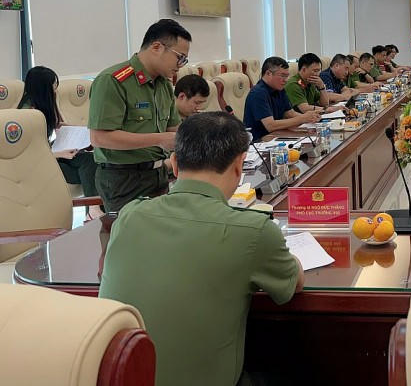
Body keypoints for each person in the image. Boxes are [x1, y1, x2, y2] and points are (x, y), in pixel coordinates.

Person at [99, 112, 303, 386]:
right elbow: (295, 283)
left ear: (174, 164)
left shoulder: (129, 215)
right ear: (239, 165)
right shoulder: (254, 231)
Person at [88, 19, 189, 213]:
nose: (180, 65)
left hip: (159, 174)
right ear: (157, 47)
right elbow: (99, 138)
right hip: (123, 179)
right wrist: (159, 139)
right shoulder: (113, 81)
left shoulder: (164, 85)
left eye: (184, 60)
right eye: (180, 57)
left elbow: (173, 129)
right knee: (129, 232)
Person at [18, 66, 99, 203]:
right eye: (53, 87)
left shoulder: (45, 104)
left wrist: (75, 131)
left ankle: (93, 208)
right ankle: (94, 208)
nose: (55, 90)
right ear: (43, 89)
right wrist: (59, 154)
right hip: (38, 162)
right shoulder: (27, 114)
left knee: (90, 160)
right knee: (90, 172)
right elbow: (28, 153)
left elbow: (57, 125)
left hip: (52, 152)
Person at [243, 57, 321, 141]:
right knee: (306, 139)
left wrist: (310, 117)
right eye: (283, 76)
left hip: (276, 134)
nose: (286, 80)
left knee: (312, 135)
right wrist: (303, 118)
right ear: (268, 73)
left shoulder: (279, 89)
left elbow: (290, 113)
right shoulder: (258, 93)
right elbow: (270, 125)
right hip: (259, 140)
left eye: (287, 76)